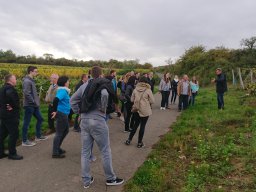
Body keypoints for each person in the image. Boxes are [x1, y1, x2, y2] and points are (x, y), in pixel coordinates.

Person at [70, 66, 124, 189]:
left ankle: (86, 180)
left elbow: (72, 100)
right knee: (105, 151)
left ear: (90, 74)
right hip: (98, 120)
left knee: (85, 152)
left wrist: (79, 113)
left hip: (84, 121)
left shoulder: (84, 86)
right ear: (101, 74)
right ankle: (110, 179)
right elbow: (105, 94)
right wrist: (103, 109)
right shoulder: (102, 84)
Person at [125, 76, 155, 148]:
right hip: (145, 110)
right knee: (142, 126)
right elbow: (152, 101)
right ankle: (139, 143)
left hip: (136, 110)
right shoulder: (148, 90)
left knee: (135, 125)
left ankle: (129, 140)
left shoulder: (135, 89)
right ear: (146, 82)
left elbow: (132, 100)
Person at [21, 66, 47, 147]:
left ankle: (38, 136)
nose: (37, 73)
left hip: (34, 105)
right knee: (26, 122)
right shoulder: (27, 81)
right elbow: (26, 93)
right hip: (29, 105)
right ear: (31, 72)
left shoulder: (31, 80)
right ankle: (24, 141)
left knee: (40, 119)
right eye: (35, 71)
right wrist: (33, 101)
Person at [0, 74, 23, 160]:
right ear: (10, 80)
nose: (16, 80)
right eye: (15, 79)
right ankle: (12, 154)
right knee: (14, 134)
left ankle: (1, 152)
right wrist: (14, 106)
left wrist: (3, 106)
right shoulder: (10, 89)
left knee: (2, 134)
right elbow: (15, 102)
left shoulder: (2, 88)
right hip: (11, 116)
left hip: (3, 114)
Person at [51, 76, 71, 158]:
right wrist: (55, 111)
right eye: (68, 81)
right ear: (65, 83)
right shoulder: (62, 91)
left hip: (64, 113)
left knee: (66, 130)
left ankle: (57, 148)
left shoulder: (63, 90)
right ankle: (55, 152)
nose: (69, 83)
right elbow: (55, 100)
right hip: (61, 113)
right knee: (59, 133)